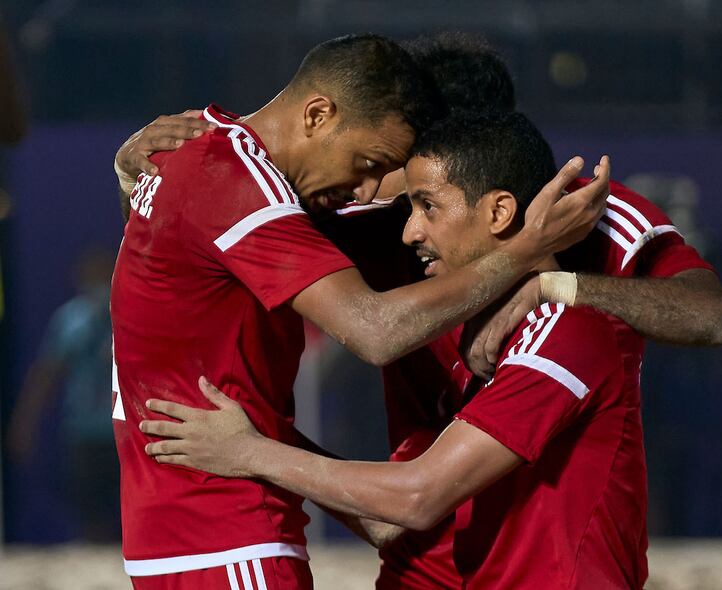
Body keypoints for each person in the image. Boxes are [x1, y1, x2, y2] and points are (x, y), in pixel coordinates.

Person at [111, 33, 608, 590]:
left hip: (170, 530)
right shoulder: (240, 183)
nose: (366, 188)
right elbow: (376, 332)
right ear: (319, 114)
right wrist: (525, 252)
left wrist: (131, 167)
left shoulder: (201, 148)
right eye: (369, 162)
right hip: (228, 531)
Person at [7, 249, 118, 542]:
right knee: (89, 508)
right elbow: (46, 375)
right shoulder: (69, 319)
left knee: (127, 507)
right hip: (82, 431)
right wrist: (24, 424)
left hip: (124, 429)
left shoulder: (130, 312)